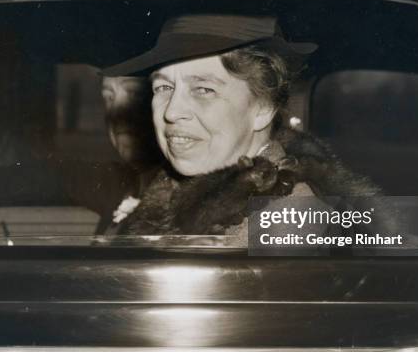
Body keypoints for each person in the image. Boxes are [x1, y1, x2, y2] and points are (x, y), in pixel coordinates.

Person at [98, 14, 381, 237]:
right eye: (163, 87)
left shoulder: (287, 221)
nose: (171, 112)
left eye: (204, 90)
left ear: (263, 108)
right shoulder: (171, 186)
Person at [0, 75, 162, 243]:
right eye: (108, 96)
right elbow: (51, 176)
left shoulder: (189, 196)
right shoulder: (118, 181)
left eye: (134, 94)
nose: (116, 112)